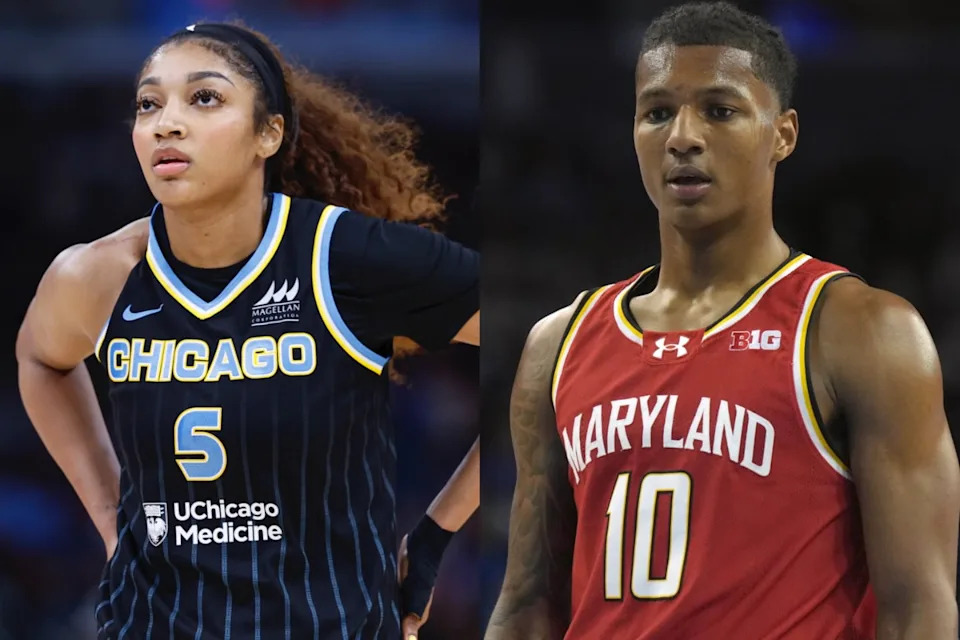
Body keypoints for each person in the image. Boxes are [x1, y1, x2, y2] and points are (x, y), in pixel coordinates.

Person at [486, 2, 959, 638]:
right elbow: (525, 607)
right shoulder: (558, 344)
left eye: (719, 109)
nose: (682, 135)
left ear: (783, 134)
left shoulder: (861, 330)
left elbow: (919, 609)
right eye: (656, 112)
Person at [16, 22, 479, 640]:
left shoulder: (346, 258)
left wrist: (435, 532)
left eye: (204, 98)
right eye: (149, 104)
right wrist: (108, 513)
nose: (167, 123)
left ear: (269, 133)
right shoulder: (96, 275)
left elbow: (554, 345)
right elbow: (41, 359)